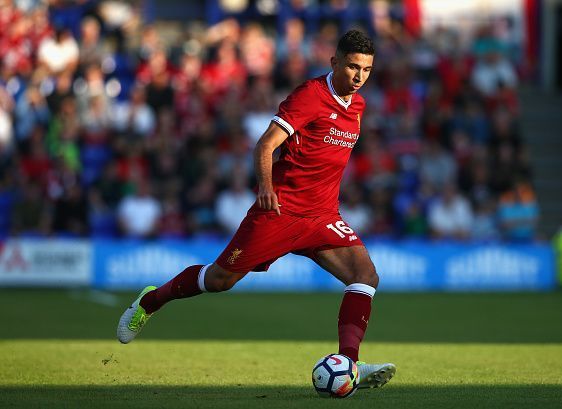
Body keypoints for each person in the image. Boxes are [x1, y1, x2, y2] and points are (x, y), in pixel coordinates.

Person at [117, 30, 396, 390]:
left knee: (365, 276)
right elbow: (265, 145)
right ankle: (151, 301)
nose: (359, 77)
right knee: (220, 280)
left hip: (323, 215)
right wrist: (266, 187)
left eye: (367, 70)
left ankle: (350, 365)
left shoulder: (358, 106)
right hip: (280, 211)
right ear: (335, 62)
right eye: (353, 67)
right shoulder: (310, 96)